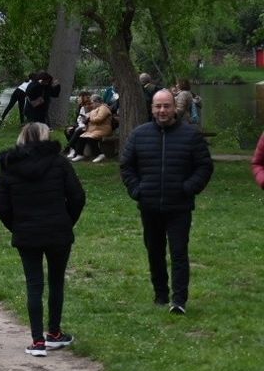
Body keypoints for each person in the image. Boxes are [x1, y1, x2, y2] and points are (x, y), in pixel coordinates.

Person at [0, 122, 86, 356]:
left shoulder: (9, 167)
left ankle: (37, 340)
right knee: (56, 282)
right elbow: (77, 196)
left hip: (27, 232)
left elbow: (0, 204)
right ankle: (54, 332)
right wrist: (67, 220)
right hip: (57, 230)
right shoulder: (60, 163)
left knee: (34, 284)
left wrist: (15, 226)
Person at [119, 89, 213, 314]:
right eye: (158, 106)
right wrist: (137, 190)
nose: (162, 110)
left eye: (166, 106)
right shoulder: (139, 135)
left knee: (179, 252)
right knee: (154, 251)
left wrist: (188, 188)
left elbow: (204, 166)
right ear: (152, 108)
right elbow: (126, 165)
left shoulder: (190, 135)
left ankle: (179, 300)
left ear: (174, 108)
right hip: (150, 205)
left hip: (179, 206)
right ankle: (160, 294)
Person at [67, 94, 115, 162]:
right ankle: (79, 154)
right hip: (95, 129)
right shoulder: (96, 109)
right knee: (81, 137)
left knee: (90, 137)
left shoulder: (104, 108)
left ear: (97, 102)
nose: (92, 104)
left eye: (92, 102)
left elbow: (99, 119)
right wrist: (86, 119)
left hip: (103, 129)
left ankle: (100, 154)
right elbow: (90, 118)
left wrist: (90, 118)